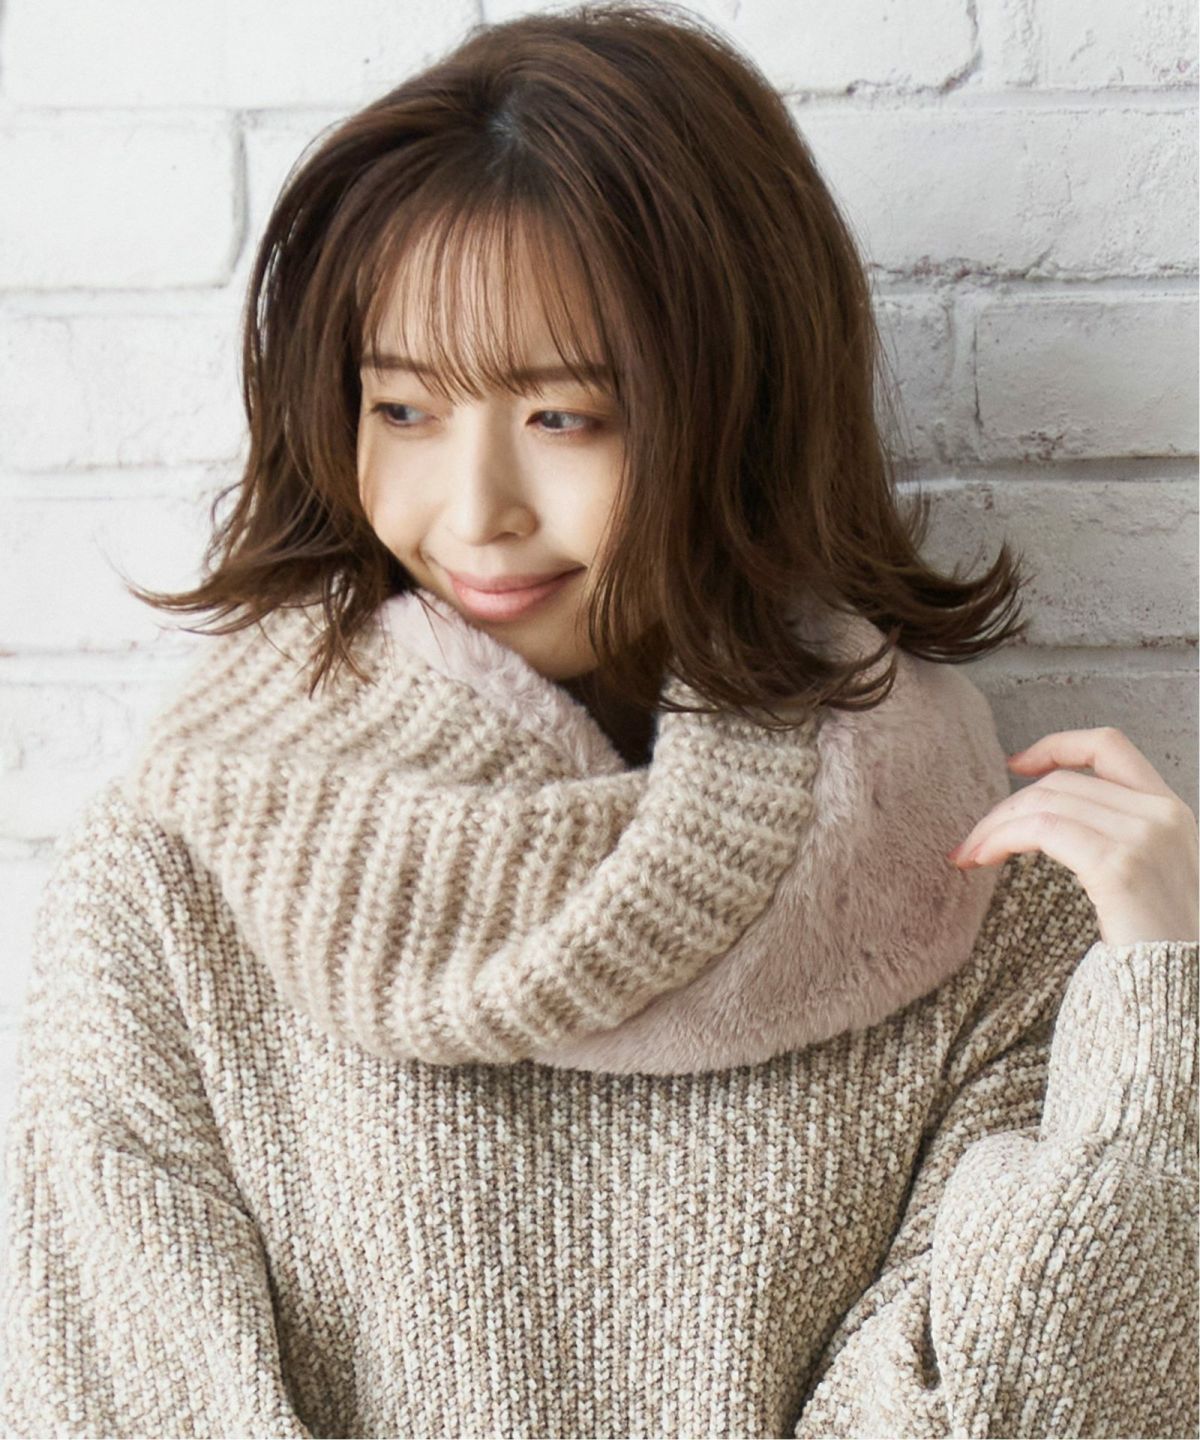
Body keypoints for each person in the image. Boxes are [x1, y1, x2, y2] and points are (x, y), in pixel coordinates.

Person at [1, 3, 1196, 1436]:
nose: (474, 512)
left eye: (564, 416)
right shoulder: (181, 875)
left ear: (744, 414)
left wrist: (1160, 1021)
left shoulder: (971, 885)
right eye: (403, 409)